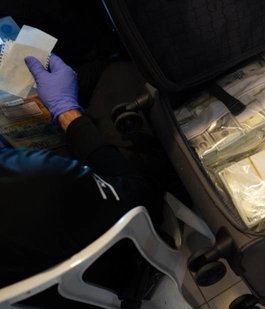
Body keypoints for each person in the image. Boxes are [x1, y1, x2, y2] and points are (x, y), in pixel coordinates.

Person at [0, 54, 164, 290]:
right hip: (107, 271)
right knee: (122, 73)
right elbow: (144, 202)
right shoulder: (33, 175)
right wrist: (67, 113)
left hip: (28, 291)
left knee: (93, 71)